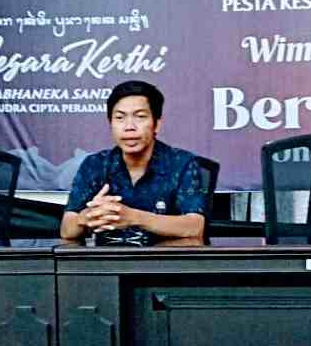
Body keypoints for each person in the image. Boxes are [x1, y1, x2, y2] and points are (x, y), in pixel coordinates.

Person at [60, 80, 207, 245]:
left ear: (157, 124)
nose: (129, 126)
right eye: (120, 118)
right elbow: (67, 230)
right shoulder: (95, 164)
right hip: (108, 258)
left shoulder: (182, 163)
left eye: (140, 117)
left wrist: (134, 217)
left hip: (162, 258)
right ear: (110, 123)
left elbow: (195, 227)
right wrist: (87, 217)